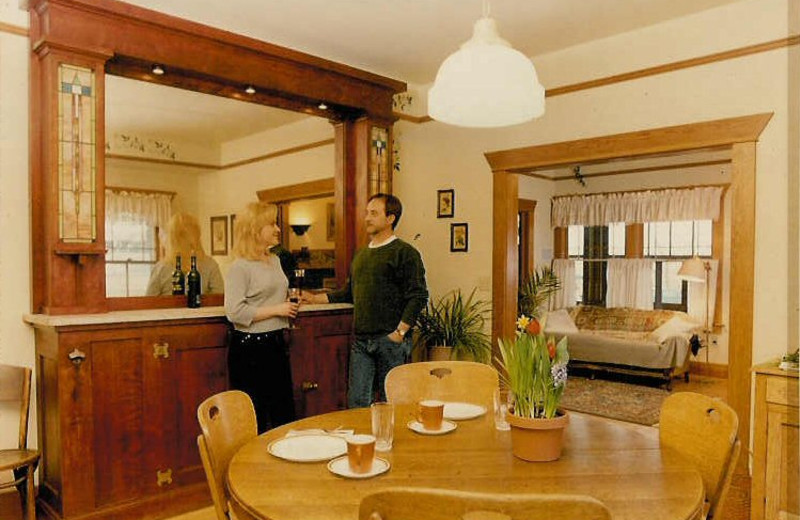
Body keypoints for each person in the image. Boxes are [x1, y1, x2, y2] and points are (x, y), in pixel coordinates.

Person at [304, 193, 428, 408]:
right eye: (366, 213)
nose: (367, 218)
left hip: (391, 342)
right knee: (357, 402)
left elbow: (418, 295)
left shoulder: (405, 253)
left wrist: (399, 333)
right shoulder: (361, 255)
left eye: (374, 213)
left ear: (390, 218)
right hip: (361, 342)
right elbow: (348, 293)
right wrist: (314, 299)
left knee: (393, 403)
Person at [224, 201, 298, 432]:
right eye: (272, 224)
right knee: (255, 419)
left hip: (276, 343)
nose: (278, 229)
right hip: (249, 351)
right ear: (255, 229)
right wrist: (278, 310)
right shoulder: (239, 267)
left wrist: (294, 300)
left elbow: (271, 294)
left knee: (283, 415)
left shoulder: (275, 260)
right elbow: (234, 312)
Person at [145, 212, 224, 296]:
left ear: (172, 239)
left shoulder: (160, 269)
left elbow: (148, 304)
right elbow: (220, 300)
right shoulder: (210, 265)